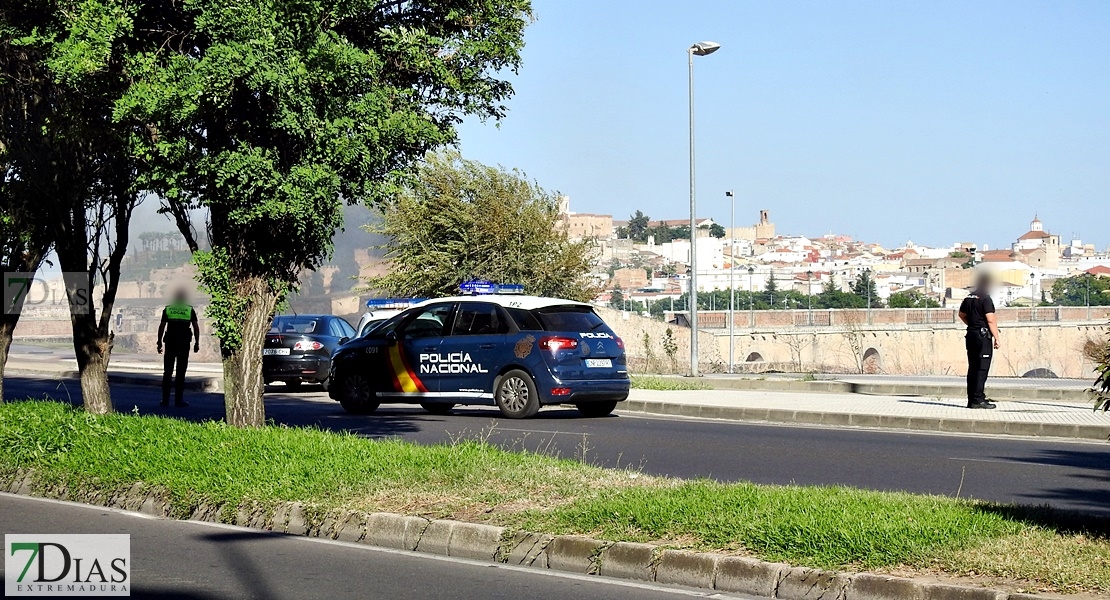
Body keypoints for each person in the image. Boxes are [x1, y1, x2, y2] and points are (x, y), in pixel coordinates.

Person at [958, 271, 1001, 409]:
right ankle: (978, 400)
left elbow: (961, 314)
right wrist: (996, 338)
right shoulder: (985, 298)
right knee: (982, 369)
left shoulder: (969, 297)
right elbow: (991, 319)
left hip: (970, 334)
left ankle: (972, 400)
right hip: (982, 337)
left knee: (973, 368)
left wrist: (972, 324)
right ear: (988, 283)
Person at [157, 289, 200, 407]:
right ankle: (178, 400)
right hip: (184, 344)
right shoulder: (189, 310)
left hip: (170, 343)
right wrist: (197, 343)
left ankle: (165, 400)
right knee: (181, 373)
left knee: (167, 372)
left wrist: (159, 342)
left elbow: (162, 327)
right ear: (184, 298)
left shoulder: (168, 309)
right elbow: (196, 328)